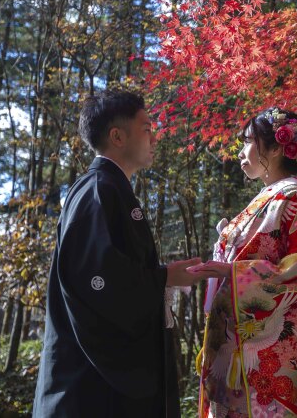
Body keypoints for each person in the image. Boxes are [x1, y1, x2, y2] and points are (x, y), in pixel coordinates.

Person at [33, 89, 209, 418]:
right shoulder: (98, 190)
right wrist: (164, 277)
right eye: (146, 128)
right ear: (117, 136)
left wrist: (164, 276)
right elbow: (96, 278)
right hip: (88, 391)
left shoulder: (109, 190)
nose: (154, 136)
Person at [188, 107, 297, 418]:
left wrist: (232, 271)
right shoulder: (269, 196)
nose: (241, 151)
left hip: (266, 351)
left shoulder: (292, 194)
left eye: (248, 141)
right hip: (237, 341)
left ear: (274, 148)